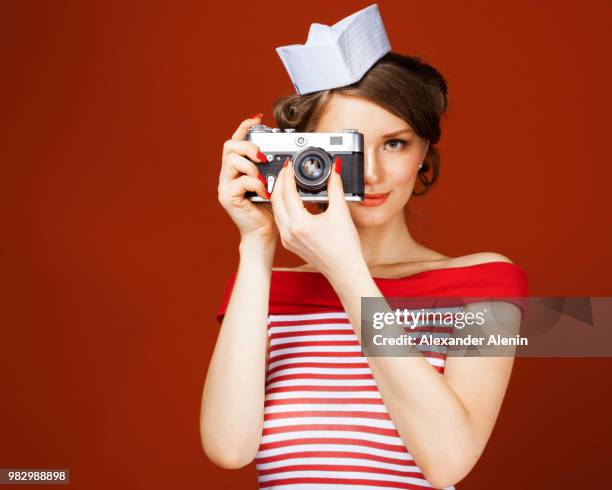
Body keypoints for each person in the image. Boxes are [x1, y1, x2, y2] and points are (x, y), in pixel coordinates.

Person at [200, 49, 528, 489]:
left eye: (395, 143)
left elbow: (449, 459)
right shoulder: (265, 289)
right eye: (347, 146)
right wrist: (257, 245)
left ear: (424, 150)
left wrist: (349, 273)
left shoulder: (484, 284)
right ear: (303, 153)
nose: (371, 173)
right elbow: (228, 448)